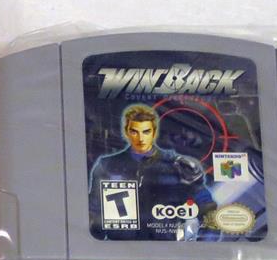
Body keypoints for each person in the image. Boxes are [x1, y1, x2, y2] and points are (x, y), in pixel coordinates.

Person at [88, 102, 217, 239]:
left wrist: (205, 243)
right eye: (134, 131)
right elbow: (93, 213)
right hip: (119, 246)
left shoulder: (177, 166)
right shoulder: (108, 165)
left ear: (154, 132)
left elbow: (207, 209)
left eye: (146, 131)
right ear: (126, 132)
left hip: (165, 247)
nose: (140, 138)